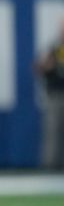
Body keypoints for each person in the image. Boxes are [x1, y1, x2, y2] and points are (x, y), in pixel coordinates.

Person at [35, 19, 64, 169]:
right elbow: (38, 68)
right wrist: (47, 65)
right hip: (55, 94)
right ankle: (49, 168)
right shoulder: (53, 48)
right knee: (52, 133)